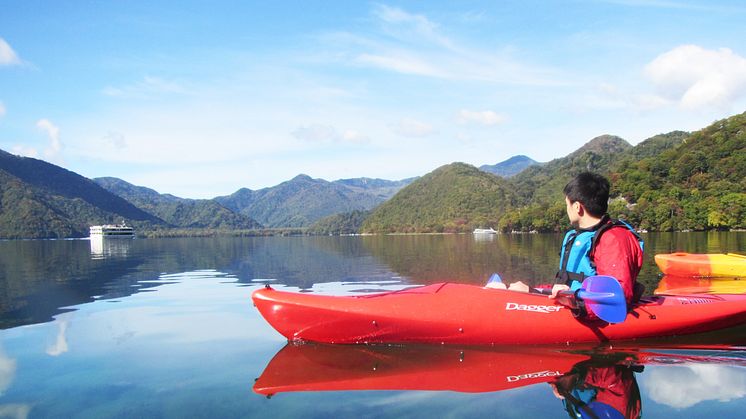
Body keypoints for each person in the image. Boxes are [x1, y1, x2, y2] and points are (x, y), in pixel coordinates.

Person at [550, 172, 644, 307]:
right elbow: (566, 281)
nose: (567, 210)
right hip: (573, 302)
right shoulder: (576, 235)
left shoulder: (613, 239)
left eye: (567, 204)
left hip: (589, 311)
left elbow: (614, 297)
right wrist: (530, 290)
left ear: (577, 207)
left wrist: (574, 300)